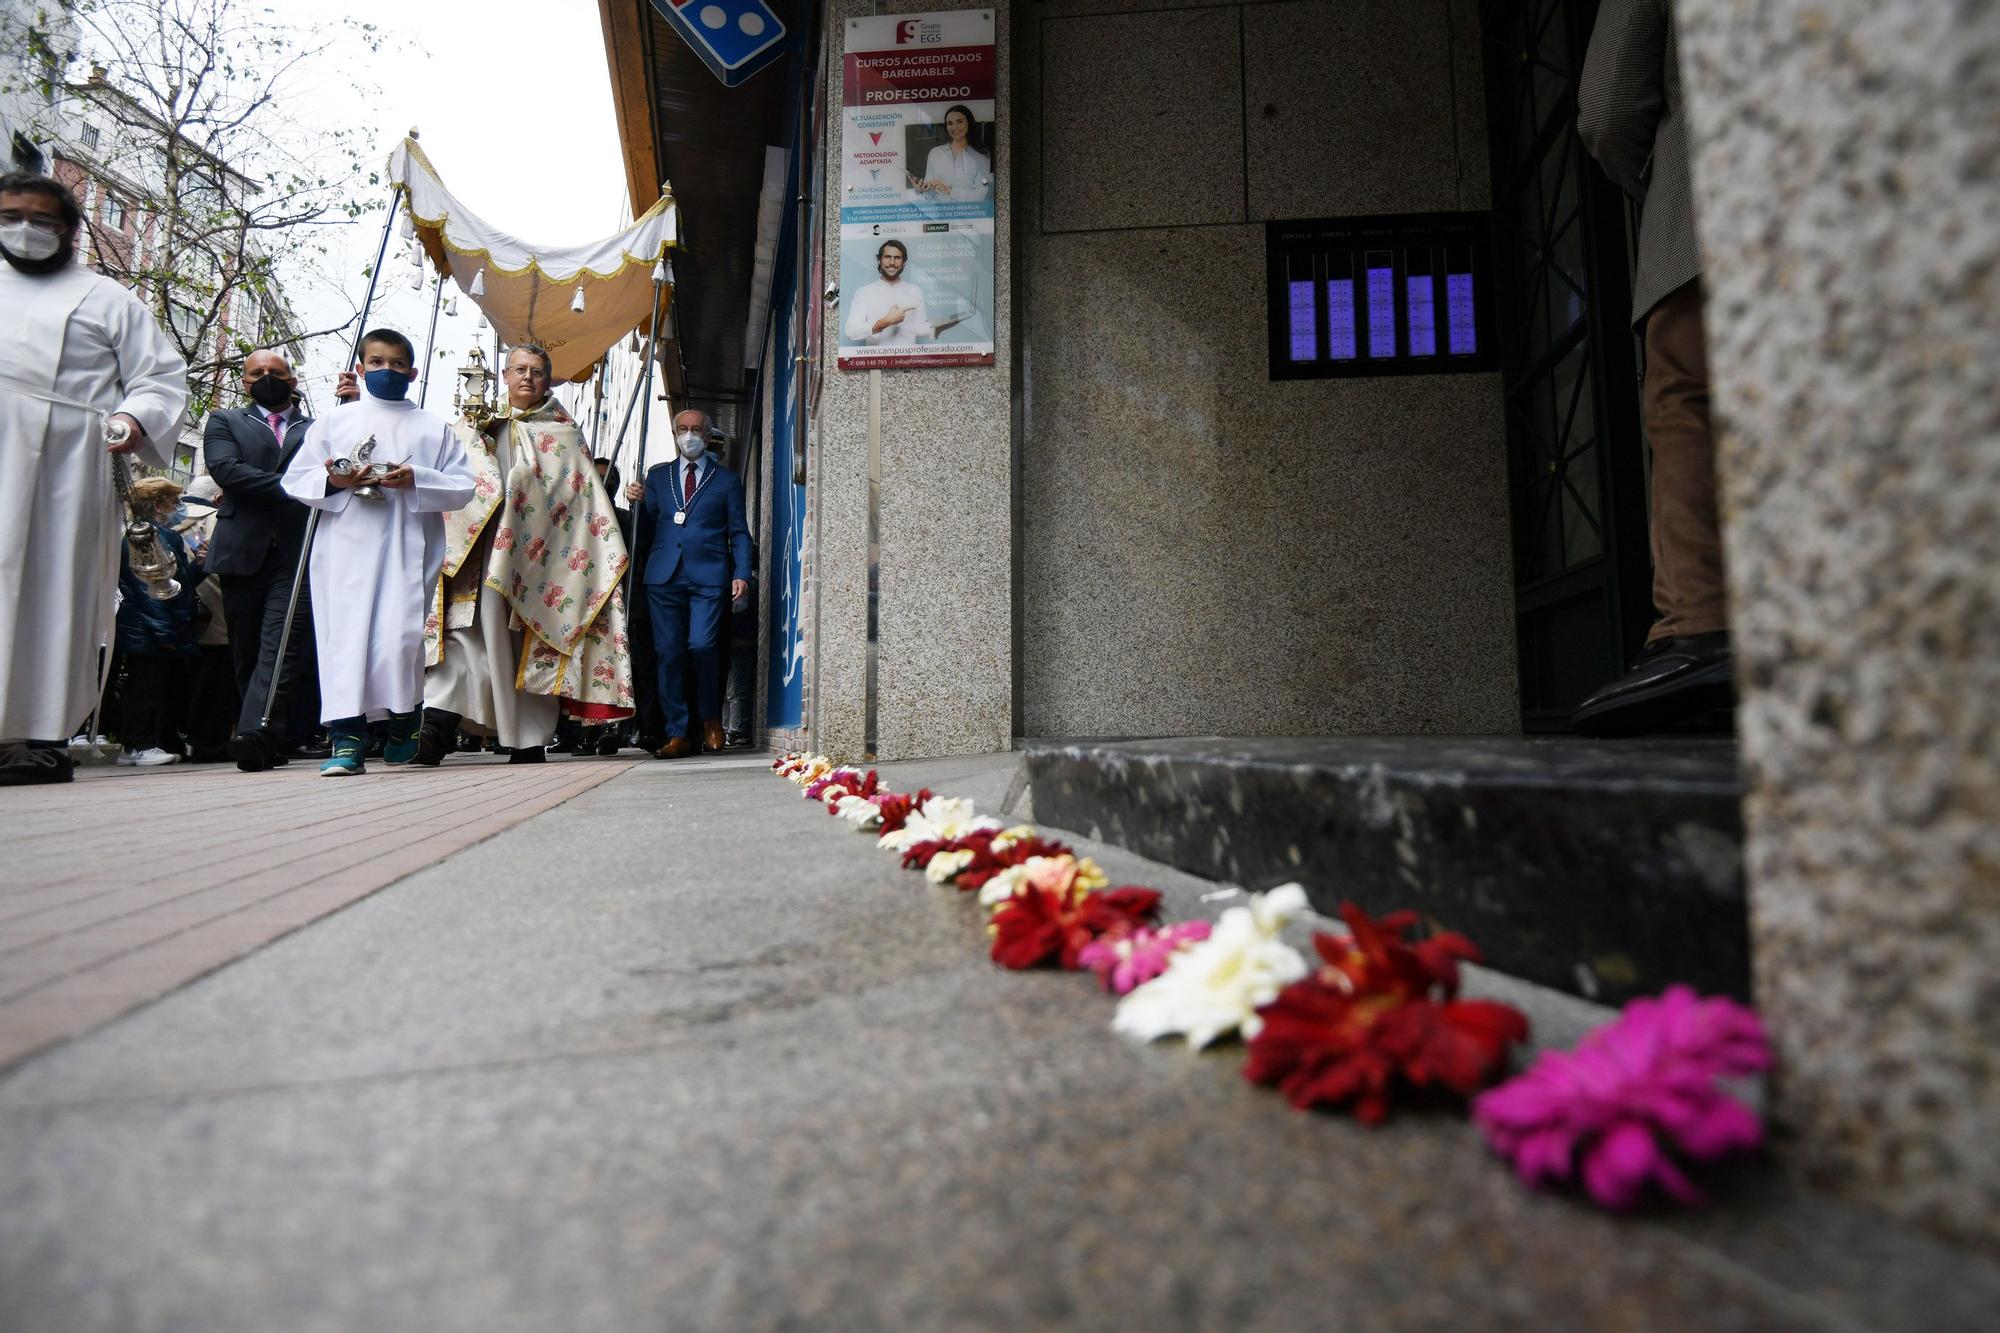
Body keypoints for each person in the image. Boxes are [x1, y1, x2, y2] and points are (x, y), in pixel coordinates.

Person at [1572, 0, 1731, 736]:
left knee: (1689, 399)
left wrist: (1666, 191)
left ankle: (1700, 627)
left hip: (1711, 195)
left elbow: (1607, 107)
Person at [0, 171, 188, 787]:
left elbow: (159, 377)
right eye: (10, 217)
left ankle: (38, 733)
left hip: (68, 464)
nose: (25, 231)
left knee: (56, 588)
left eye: (42, 221)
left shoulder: (107, 298)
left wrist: (135, 417)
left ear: (70, 232)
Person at [416, 343, 635, 765]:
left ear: (547, 380)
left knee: (525, 648)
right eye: (519, 369)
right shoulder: (474, 424)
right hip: (476, 556)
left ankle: (528, 740)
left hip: (536, 563)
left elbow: (579, 498)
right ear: (504, 375)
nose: (527, 378)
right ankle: (436, 726)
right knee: (464, 639)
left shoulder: (563, 433)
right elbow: (449, 481)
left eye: (536, 371)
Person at [280, 328, 476, 776]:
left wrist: (416, 479)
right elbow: (297, 479)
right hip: (346, 545)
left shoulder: (433, 428)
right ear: (361, 367)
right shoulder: (335, 421)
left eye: (396, 364)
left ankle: (404, 718)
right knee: (343, 639)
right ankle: (346, 738)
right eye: (376, 362)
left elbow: (463, 487)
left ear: (412, 370)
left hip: (407, 543)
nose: (386, 370)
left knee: (399, 638)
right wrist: (337, 481)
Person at [202, 347, 320, 770]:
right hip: (241, 550)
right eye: (257, 373)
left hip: (296, 551)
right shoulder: (225, 421)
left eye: (276, 371)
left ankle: (256, 731)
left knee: (283, 641)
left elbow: (335, 469)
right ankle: (267, 731)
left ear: (292, 379)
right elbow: (226, 470)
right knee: (246, 649)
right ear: (245, 381)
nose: (266, 377)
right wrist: (297, 487)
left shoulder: (318, 426)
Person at [624, 410, 751, 757]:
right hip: (663, 576)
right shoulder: (657, 476)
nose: (690, 435)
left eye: (697, 430)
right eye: (683, 429)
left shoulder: (726, 481)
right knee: (668, 653)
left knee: (702, 645)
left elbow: (739, 532)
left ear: (708, 436)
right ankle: (677, 731)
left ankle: (710, 718)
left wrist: (741, 572)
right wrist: (635, 500)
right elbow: (647, 525)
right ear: (674, 433)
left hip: (710, 576)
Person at [112, 477, 202, 767]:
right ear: (159, 503)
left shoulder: (159, 535)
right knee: (144, 687)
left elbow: (177, 583)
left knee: (151, 686)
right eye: (173, 501)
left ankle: (139, 743)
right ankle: (139, 744)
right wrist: (165, 631)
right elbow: (151, 589)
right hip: (150, 627)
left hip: (153, 625)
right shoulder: (146, 536)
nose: (178, 507)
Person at [171, 475, 238, 762]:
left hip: (169, 619)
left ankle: (172, 740)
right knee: (213, 686)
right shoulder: (219, 520)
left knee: (172, 684)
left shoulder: (166, 520)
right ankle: (209, 744)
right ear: (218, 498)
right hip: (215, 620)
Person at [841, 240, 967, 348]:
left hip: (909, 361)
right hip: (878, 362)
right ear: (879, 260)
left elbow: (918, 328)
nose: (892, 262)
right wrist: (886, 322)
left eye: (897, 258)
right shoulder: (864, 293)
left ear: (904, 262)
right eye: (887, 257)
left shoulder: (915, 290)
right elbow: (851, 331)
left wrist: (940, 326)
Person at [913, 104, 990, 204]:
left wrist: (949, 191)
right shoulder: (935, 153)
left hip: (968, 216)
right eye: (950, 123)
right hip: (941, 216)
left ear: (969, 123)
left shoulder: (981, 156)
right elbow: (929, 194)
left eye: (959, 121)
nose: (954, 127)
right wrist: (920, 190)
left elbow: (981, 194)